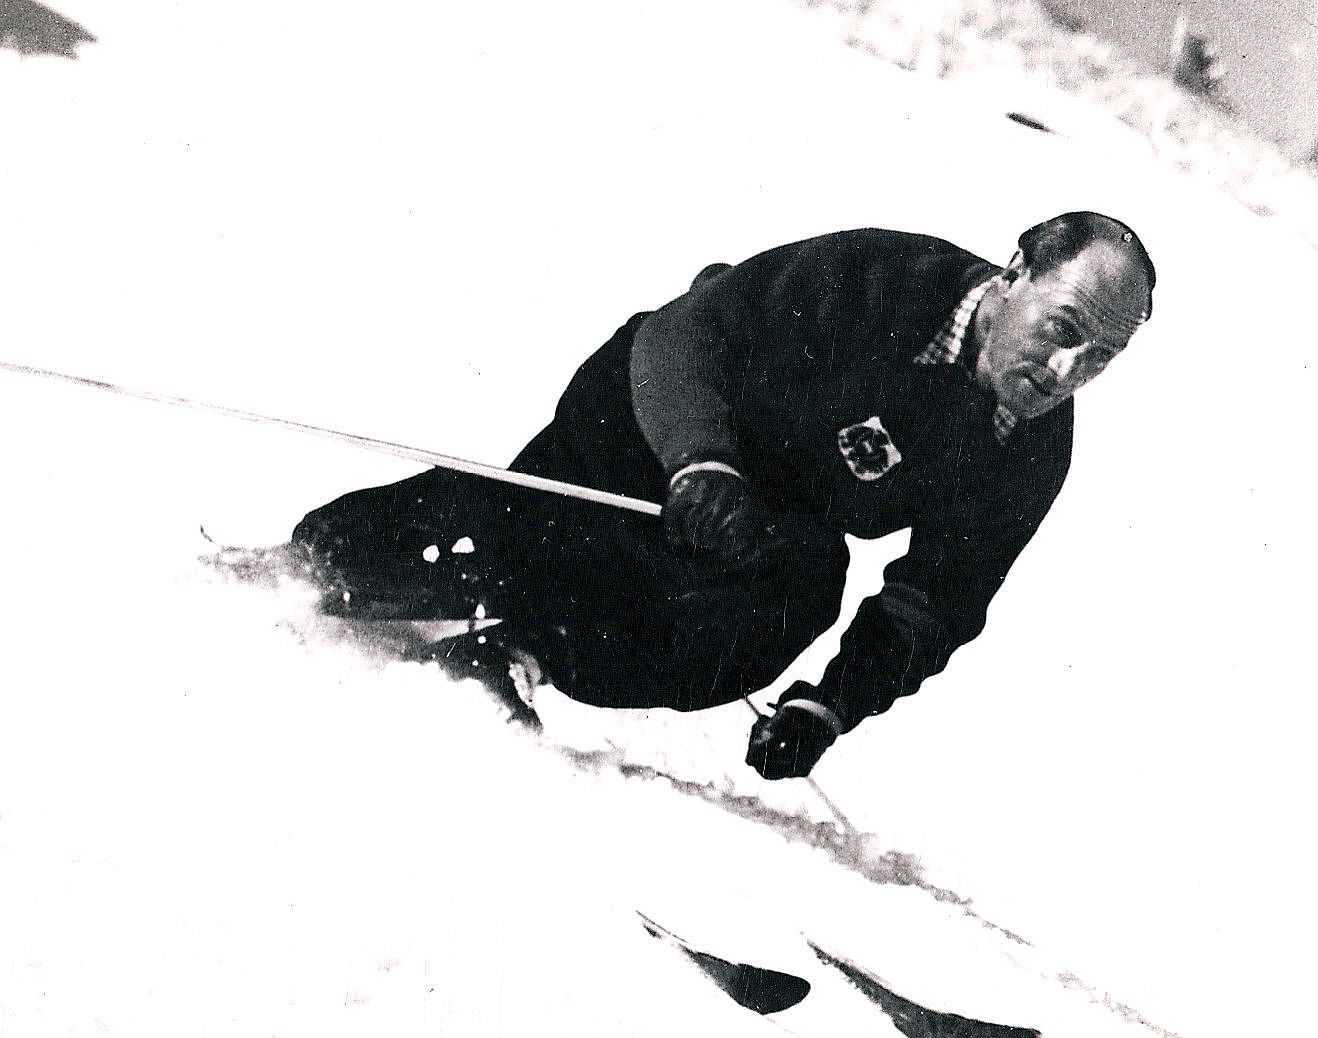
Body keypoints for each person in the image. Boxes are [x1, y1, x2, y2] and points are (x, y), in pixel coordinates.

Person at [291, 212, 1155, 780]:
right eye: (1064, 329)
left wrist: (830, 705)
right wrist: (699, 459)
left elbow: (936, 600)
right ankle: (321, 565)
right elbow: (685, 335)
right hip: (660, 419)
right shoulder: (880, 278)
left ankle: (515, 652)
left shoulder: (1028, 449)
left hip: (765, 517)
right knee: (533, 532)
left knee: (801, 589)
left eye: (1102, 356)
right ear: (1014, 274)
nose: (1066, 370)